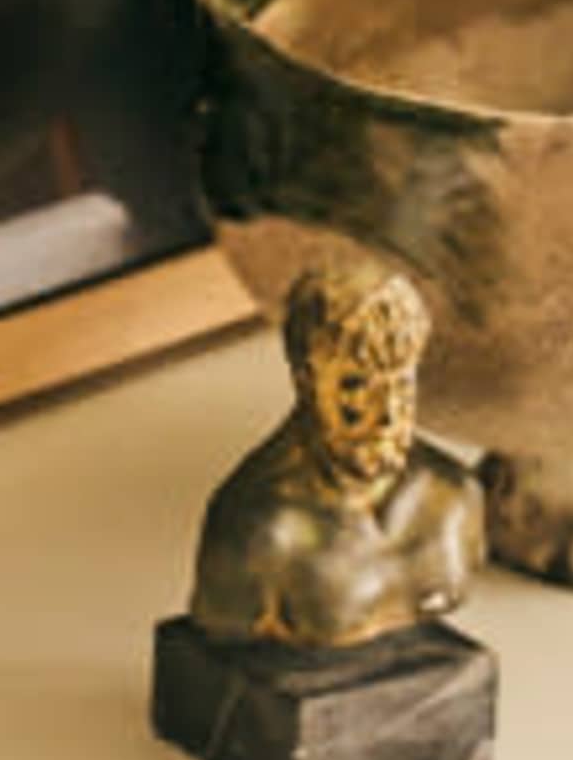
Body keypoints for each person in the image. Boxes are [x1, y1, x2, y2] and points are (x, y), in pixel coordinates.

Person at [184, 240, 483, 651]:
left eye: (400, 382)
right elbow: (221, 630)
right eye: (356, 387)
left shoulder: (453, 495)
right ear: (306, 379)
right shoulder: (260, 529)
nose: (387, 413)